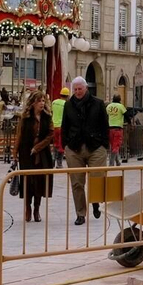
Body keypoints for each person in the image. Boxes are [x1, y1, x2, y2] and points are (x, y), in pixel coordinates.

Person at [61, 76, 109, 225]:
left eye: (80, 89)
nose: (77, 92)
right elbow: (64, 126)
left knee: (97, 178)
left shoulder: (98, 103)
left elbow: (104, 125)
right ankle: (80, 213)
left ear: (86, 88)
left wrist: (104, 145)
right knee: (77, 183)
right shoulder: (68, 105)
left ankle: (95, 202)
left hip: (95, 147)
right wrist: (65, 145)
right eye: (75, 89)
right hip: (74, 147)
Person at [15, 89, 54, 222]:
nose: (42, 103)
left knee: (39, 181)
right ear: (32, 103)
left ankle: (37, 208)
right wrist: (14, 153)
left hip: (42, 154)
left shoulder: (47, 117)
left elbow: (50, 135)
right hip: (26, 153)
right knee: (27, 182)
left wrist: (38, 147)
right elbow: (19, 136)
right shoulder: (25, 118)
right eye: (39, 101)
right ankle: (28, 208)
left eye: (43, 101)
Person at [49, 85, 69, 169]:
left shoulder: (54, 102)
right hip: (62, 127)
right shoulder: (66, 104)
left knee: (55, 144)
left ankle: (53, 160)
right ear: (67, 96)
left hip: (54, 126)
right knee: (61, 146)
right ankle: (59, 164)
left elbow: (51, 112)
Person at [106, 94, 127, 166]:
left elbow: (105, 116)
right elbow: (126, 115)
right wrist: (130, 123)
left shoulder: (109, 106)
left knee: (113, 145)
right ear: (120, 99)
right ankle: (111, 163)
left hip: (110, 128)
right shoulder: (121, 106)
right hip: (118, 128)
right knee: (116, 146)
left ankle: (117, 161)